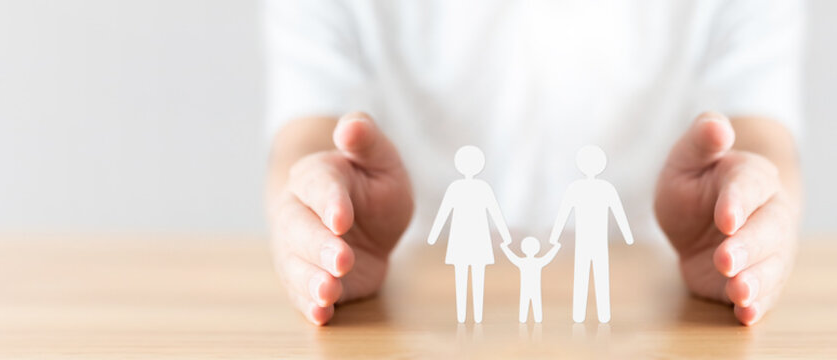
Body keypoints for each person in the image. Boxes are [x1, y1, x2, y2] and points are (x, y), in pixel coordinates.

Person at [264, 0, 803, 326]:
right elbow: (308, 124)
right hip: (418, 308)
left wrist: (746, 211)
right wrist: (322, 211)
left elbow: (760, 124)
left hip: (652, 306)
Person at [425, 146, 512, 323]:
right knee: (467, 275)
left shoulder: (471, 188)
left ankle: (471, 316)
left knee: (467, 275)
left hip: (472, 238)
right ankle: (466, 315)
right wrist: (505, 236)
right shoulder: (470, 188)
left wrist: (505, 234)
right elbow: (445, 211)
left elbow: (494, 211)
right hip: (465, 239)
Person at [548, 145, 634, 323]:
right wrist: (555, 236)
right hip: (588, 242)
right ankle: (588, 315)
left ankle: (596, 315)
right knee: (590, 275)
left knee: (590, 274)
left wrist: (627, 235)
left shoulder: (587, 188)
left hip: (595, 242)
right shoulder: (593, 188)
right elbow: (564, 212)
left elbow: (617, 211)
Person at [500, 236, 561, 323]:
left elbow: (512, 257)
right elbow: (548, 257)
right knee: (535, 303)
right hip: (533, 288)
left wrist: (504, 247)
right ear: (537, 248)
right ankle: (534, 319)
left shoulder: (522, 262)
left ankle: (525, 319)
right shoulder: (537, 262)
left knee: (526, 303)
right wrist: (556, 247)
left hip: (528, 288)